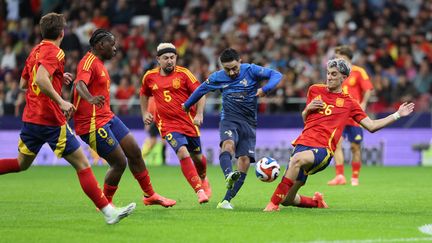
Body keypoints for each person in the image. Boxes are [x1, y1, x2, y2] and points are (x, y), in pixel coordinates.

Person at [0, 13, 135, 224]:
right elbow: (40, 79)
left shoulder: (34, 51)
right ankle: (109, 212)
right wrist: (61, 101)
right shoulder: (56, 52)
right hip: (50, 120)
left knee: (20, 164)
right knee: (82, 164)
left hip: (31, 119)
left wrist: (57, 77)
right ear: (62, 33)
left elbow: (23, 84)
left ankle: (109, 210)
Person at [263, 58, 414, 212]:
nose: (329, 77)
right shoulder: (315, 90)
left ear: (343, 77)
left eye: (334, 74)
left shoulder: (349, 103)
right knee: (287, 199)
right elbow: (306, 120)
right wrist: (307, 109)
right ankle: (316, 202)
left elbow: (372, 126)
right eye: (328, 73)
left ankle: (272, 204)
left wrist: (397, 115)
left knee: (296, 161)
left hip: (323, 149)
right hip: (302, 144)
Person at [73, 29, 176, 208]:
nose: (115, 49)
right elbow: (79, 83)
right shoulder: (88, 62)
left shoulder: (99, 63)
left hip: (107, 117)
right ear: (100, 45)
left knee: (135, 152)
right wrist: (89, 98)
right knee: (119, 162)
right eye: (112, 45)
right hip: (91, 123)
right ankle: (105, 204)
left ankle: (150, 195)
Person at [183, 48, 282, 210]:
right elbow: (201, 90)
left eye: (234, 68)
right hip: (229, 119)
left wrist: (265, 89)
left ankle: (226, 201)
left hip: (249, 123)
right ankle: (228, 174)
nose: (231, 72)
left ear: (240, 62)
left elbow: (277, 75)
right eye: (227, 69)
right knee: (228, 144)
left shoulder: (250, 70)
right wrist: (187, 105)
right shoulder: (218, 77)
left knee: (243, 161)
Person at [139, 43, 211, 204]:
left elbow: (201, 93)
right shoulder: (149, 77)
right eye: (166, 58)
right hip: (167, 125)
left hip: (189, 122)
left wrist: (199, 114)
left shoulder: (184, 74)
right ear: (158, 59)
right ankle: (199, 191)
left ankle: (204, 179)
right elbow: (143, 94)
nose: (170, 61)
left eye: (172, 57)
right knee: (182, 153)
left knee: (198, 158)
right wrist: (145, 113)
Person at [328, 45, 374, 186]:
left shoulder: (359, 72)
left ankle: (355, 177)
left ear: (346, 56)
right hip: (339, 115)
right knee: (337, 144)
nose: (336, 59)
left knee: (355, 147)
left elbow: (368, 89)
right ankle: (340, 176)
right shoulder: (334, 72)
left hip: (354, 116)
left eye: (338, 56)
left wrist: (364, 103)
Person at [141, 97, 166, 166]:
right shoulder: (151, 99)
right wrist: (147, 124)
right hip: (154, 122)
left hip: (162, 122)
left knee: (164, 141)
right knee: (153, 142)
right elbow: (149, 111)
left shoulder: (160, 96)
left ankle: (164, 161)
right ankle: (142, 157)